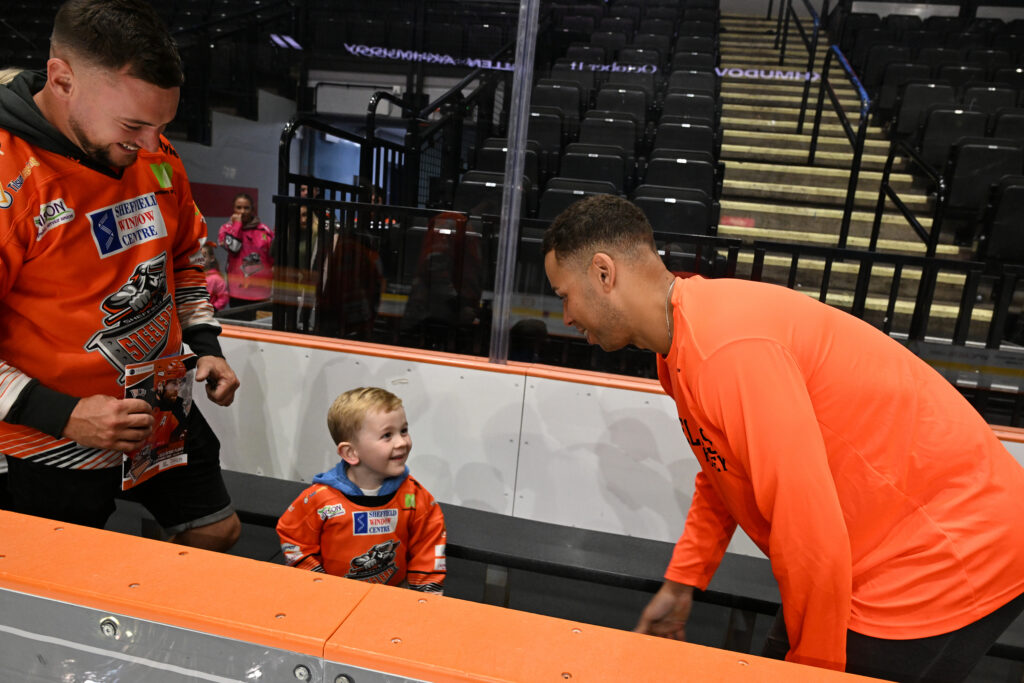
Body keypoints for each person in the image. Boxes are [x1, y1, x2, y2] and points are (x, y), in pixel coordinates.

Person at [542, 194, 1024, 681]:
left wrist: (812, 671)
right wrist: (684, 579)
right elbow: (723, 468)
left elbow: (809, 531)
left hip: (950, 546)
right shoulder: (686, 342)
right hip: (880, 545)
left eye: (564, 295)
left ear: (603, 273)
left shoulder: (727, 349)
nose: (565, 317)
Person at [0, 0, 241, 550]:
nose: (152, 145)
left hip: (160, 406)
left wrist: (205, 344)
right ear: (62, 80)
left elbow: (182, 259)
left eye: (162, 125)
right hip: (45, 437)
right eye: (134, 125)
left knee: (215, 532)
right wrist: (66, 415)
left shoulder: (152, 153)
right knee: (68, 579)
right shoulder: (12, 180)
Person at [276, 387, 446, 593]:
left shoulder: (415, 497)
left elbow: (428, 546)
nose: (402, 442)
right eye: (387, 435)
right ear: (350, 452)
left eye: (403, 431)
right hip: (331, 596)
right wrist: (318, 583)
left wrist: (424, 597)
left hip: (393, 597)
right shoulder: (320, 500)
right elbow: (294, 538)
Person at [218, 192, 274, 311]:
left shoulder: (265, 230)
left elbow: (272, 258)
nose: (242, 211)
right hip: (238, 292)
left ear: (252, 209)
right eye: (239, 208)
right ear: (233, 209)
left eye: (246, 208)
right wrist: (237, 224)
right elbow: (233, 248)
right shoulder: (226, 229)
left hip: (262, 291)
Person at [201, 241, 229, 311]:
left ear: (212, 258)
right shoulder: (193, 276)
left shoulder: (216, 278)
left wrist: (214, 308)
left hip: (209, 314)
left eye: (204, 256)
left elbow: (224, 297)